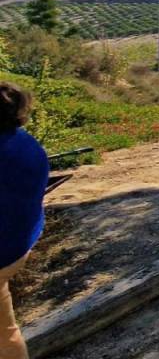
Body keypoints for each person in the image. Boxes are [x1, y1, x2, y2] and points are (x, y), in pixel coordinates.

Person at [0, 81, 49, 359]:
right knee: (5, 332)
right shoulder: (25, 142)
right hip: (20, 241)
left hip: (3, 250)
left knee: (4, 334)